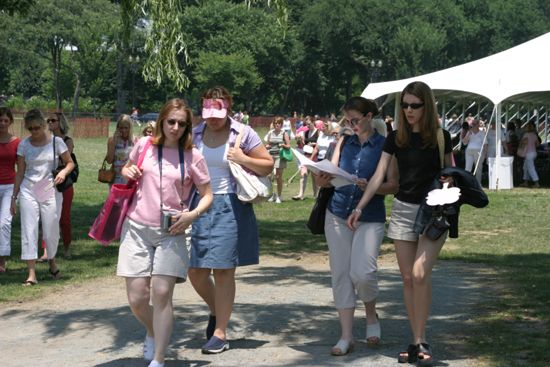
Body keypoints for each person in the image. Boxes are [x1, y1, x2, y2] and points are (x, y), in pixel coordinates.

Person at [348, 81, 453, 366]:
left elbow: (452, 171)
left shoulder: (442, 137)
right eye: (404, 105)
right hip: (404, 209)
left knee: (420, 274)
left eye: (414, 106)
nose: (408, 110)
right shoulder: (395, 138)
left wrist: (448, 182)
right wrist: (360, 206)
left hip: (433, 212)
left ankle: (422, 339)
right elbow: (379, 175)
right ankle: (416, 341)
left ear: (426, 107)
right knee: (408, 278)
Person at [117, 98, 213, 367]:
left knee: (161, 292)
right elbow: (126, 168)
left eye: (182, 123)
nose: (176, 127)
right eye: (171, 121)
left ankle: (159, 358)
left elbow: (208, 195)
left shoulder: (194, 156)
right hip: (136, 227)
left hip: (172, 230)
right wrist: (128, 169)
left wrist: (191, 215)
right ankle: (153, 330)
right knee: (137, 297)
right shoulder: (145, 145)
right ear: (162, 121)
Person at [189, 86, 273, 354]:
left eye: (218, 111)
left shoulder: (243, 133)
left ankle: (220, 333)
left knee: (224, 270)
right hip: (198, 204)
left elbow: (268, 164)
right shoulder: (195, 134)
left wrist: (242, 157)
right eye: (208, 112)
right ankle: (217, 312)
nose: (213, 118)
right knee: (196, 270)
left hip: (229, 205)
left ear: (228, 107)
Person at [314, 97, 398, 356]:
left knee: (363, 273)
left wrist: (370, 186)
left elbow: (393, 185)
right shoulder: (344, 141)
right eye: (347, 121)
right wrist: (323, 177)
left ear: (370, 116)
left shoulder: (385, 145)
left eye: (355, 120)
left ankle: (371, 314)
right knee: (340, 274)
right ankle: (346, 336)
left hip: (370, 216)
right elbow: (327, 180)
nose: (351, 126)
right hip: (337, 213)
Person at [10, 109, 74, 286]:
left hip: (48, 187)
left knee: (51, 228)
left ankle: (52, 261)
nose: (34, 132)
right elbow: (20, 172)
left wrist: (63, 172)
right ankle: (31, 274)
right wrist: (13, 197)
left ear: (44, 125)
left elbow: (70, 163)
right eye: (30, 129)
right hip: (28, 189)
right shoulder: (24, 145)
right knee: (28, 229)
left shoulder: (57, 142)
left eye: (37, 127)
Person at [47, 112, 75, 259]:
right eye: (48, 120)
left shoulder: (67, 141)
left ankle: (67, 247)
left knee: (64, 218)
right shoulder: (45, 140)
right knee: (47, 217)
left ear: (60, 122)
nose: (50, 122)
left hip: (64, 184)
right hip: (47, 183)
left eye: (53, 120)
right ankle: (47, 251)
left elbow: (65, 160)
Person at [0, 107, 20, 273]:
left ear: (10, 122)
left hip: (9, 186)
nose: (2, 123)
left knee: (4, 223)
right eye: (0, 120)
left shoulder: (16, 142)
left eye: (6, 120)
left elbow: (21, 169)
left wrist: (15, 195)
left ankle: (2, 260)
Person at [292, 117, 321, 200]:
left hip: (315, 156)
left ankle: (316, 194)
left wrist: (313, 144)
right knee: (303, 174)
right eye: (306, 124)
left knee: (314, 177)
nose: (307, 126)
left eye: (309, 124)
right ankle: (301, 194)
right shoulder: (306, 132)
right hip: (306, 156)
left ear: (313, 122)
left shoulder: (318, 132)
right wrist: (299, 140)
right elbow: (303, 145)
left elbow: (320, 143)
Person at [265, 116, 291, 203]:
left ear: (281, 125)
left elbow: (288, 146)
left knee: (278, 176)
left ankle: (279, 196)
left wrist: (283, 145)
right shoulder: (270, 133)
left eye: (279, 123)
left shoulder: (284, 133)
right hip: (270, 156)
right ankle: (272, 194)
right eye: (275, 123)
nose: (277, 125)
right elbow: (268, 144)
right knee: (269, 176)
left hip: (280, 157)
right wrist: (267, 146)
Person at [106, 114, 137, 185]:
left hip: (130, 177)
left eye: (126, 128)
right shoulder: (112, 140)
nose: (123, 130)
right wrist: (113, 142)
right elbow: (109, 161)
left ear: (130, 128)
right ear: (117, 128)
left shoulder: (135, 140)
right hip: (116, 177)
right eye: (121, 128)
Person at [462, 118, 487, 184]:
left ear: (478, 125)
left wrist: (485, 154)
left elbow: (485, 144)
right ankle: (467, 183)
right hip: (469, 150)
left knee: (478, 168)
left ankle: (478, 183)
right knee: (468, 168)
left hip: (478, 151)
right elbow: (464, 142)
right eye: (472, 124)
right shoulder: (469, 132)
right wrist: (468, 134)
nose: (473, 125)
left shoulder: (482, 133)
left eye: (475, 124)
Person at [519, 121, 541, 188]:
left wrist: (521, 143)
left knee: (531, 168)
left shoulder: (526, 135)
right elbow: (538, 144)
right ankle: (525, 182)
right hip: (533, 152)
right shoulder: (534, 135)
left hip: (528, 153)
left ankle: (536, 182)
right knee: (525, 167)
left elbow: (523, 143)